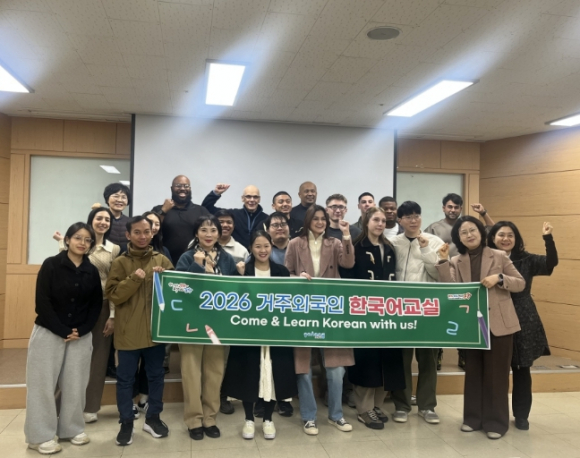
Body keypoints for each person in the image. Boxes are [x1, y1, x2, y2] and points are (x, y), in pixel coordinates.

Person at [436, 215, 525, 439]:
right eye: (463, 232)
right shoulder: (457, 260)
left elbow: (520, 283)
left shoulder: (499, 255)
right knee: (473, 372)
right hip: (473, 324)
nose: (469, 235)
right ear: (458, 238)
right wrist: (443, 261)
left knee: (497, 375)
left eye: (472, 230)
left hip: (499, 324)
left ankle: (496, 423)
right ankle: (472, 418)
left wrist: (500, 278)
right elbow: (450, 289)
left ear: (481, 232)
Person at [25, 222, 102, 455]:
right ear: (67, 240)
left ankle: (71, 429)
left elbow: (96, 304)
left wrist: (82, 329)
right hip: (49, 332)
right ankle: (39, 436)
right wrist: (62, 330)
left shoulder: (92, 270)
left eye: (87, 240)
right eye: (78, 237)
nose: (82, 243)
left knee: (76, 385)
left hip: (80, 335)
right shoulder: (51, 264)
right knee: (42, 386)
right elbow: (42, 301)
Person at [285, 205, 355, 436]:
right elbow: (286, 273)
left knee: (336, 369)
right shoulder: (295, 243)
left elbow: (348, 263)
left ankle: (336, 415)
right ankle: (309, 417)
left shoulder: (334, 243)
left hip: (331, 309)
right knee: (303, 367)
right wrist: (297, 278)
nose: (320, 222)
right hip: (303, 310)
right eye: (315, 218)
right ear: (307, 221)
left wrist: (346, 235)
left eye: (323, 219)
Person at [222, 231, 298, 440]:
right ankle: (248, 419)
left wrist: (304, 281)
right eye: (257, 246)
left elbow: (292, 298)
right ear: (251, 248)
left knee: (272, 375)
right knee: (249, 375)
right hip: (249, 334)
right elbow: (233, 299)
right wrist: (239, 276)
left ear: (271, 246)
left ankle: (268, 419)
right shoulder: (243, 269)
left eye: (266, 246)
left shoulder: (281, 271)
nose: (262, 250)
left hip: (275, 334)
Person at [106, 216, 173, 446]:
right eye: (137, 232)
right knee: (125, 380)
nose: (143, 236)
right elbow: (114, 295)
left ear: (152, 233)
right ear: (128, 235)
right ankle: (126, 422)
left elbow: (177, 292)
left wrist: (165, 278)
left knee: (156, 377)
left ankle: (153, 418)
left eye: (147, 232)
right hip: (127, 334)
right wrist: (134, 279)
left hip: (156, 333)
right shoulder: (120, 262)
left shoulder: (162, 260)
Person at [487, 221, 558, 430]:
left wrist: (548, 238)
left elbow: (551, 262)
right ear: (493, 238)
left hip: (523, 316)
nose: (506, 239)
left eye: (510, 235)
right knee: (495, 369)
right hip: (494, 315)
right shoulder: (486, 259)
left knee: (521, 368)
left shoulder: (526, 259)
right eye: (501, 234)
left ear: (516, 239)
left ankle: (521, 415)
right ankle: (495, 414)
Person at [53, 208, 121, 424]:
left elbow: (113, 283)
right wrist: (60, 242)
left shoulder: (114, 249)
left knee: (98, 360)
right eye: (99, 218)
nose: (103, 222)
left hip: (102, 307)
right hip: (74, 307)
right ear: (91, 220)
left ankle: (90, 407)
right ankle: (57, 407)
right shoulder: (79, 243)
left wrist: (112, 315)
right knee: (68, 359)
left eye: (107, 219)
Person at [175, 215, 239, 441]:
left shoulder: (227, 258)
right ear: (196, 233)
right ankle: (194, 420)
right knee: (191, 373)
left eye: (213, 230)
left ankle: (210, 418)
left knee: (215, 372)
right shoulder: (186, 257)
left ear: (219, 233)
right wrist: (198, 265)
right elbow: (180, 289)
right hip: (191, 323)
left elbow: (233, 289)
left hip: (218, 324)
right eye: (204, 230)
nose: (209, 234)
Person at [343, 208, 405, 430]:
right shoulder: (357, 247)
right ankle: (364, 409)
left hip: (386, 313)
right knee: (367, 361)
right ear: (366, 221)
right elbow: (347, 278)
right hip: (364, 313)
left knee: (386, 359)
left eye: (383, 220)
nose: (380, 223)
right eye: (376, 219)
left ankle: (377, 405)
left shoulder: (389, 248)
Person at [388, 201, 444, 425]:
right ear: (400, 220)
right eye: (408, 217)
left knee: (428, 359)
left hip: (426, 309)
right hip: (399, 309)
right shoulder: (392, 243)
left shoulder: (435, 241)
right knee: (401, 360)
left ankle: (427, 406)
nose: (414, 220)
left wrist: (425, 249)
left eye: (417, 216)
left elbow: (439, 274)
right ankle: (401, 405)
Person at [425, 194, 495, 370]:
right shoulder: (434, 227)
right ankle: (438, 354)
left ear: (460, 209)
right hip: (442, 276)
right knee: (441, 317)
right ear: (443, 208)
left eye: (456, 207)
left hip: (466, 277)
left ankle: (464, 354)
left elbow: (492, 231)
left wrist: (484, 213)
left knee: (466, 317)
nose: (453, 210)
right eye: (449, 206)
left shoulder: (468, 227)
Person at [151, 175, 210, 263]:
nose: (182, 188)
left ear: (190, 189)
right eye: (178, 185)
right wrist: (163, 211)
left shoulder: (201, 211)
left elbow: (210, 233)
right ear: (171, 188)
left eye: (186, 186)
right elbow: (150, 230)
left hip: (194, 261)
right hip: (162, 261)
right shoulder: (159, 209)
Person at [202, 183, 268, 249]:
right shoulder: (233, 214)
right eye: (248, 197)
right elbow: (206, 208)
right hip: (234, 252)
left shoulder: (266, 219)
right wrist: (216, 193)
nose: (252, 200)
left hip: (258, 254)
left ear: (259, 199)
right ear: (243, 198)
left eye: (255, 197)